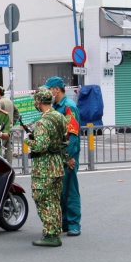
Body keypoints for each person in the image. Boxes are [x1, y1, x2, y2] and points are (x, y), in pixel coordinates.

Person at [25, 87, 68, 247]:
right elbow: (64, 140)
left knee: (42, 200)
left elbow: (40, 146)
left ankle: (50, 235)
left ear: (38, 101)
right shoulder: (60, 117)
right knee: (54, 201)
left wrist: (28, 140)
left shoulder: (43, 122)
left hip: (44, 167)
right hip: (57, 164)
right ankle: (55, 232)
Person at [45, 76, 82, 236]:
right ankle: (65, 222)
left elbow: (72, 135)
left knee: (70, 190)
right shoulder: (55, 107)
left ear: (56, 90)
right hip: (56, 157)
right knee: (60, 191)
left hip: (67, 156)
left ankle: (74, 224)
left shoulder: (69, 107)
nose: (48, 92)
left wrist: (70, 157)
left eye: (49, 89)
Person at [0, 87, 20, 164]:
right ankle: (9, 166)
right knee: (9, 149)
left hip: (2, 130)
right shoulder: (10, 101)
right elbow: (17, 113)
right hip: (10, 129)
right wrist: (12, 122)